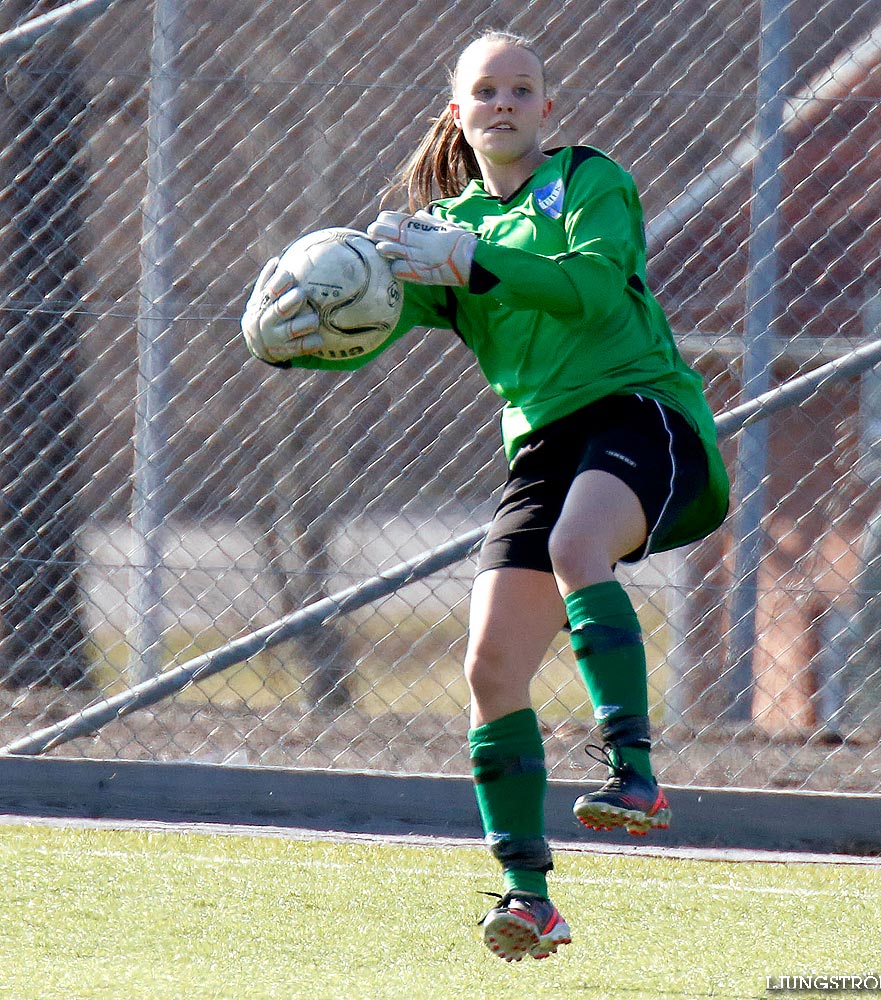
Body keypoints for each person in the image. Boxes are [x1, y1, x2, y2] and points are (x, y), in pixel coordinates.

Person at [241, 30, 729, 962]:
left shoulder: (589, 180)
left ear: (549, 110)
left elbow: (590, 288)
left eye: (522, 88)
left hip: (641, 413)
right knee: (489, 671)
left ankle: (634, 774)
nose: (504, 103)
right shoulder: (443, 231)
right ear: (457, 115)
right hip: (544, 446)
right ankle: (528, 896)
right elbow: (369, 325)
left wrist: (473, 259)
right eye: (485, 91)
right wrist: (283, 332)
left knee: (577, 548)